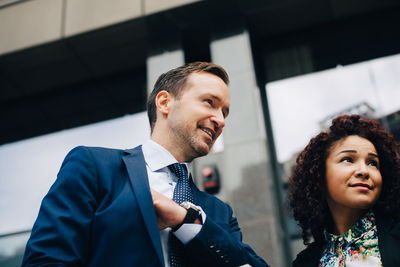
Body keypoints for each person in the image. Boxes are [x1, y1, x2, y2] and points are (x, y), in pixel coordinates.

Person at [22, 62, 268, 267]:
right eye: (209, 102)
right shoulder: (93, 167)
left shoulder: (219, 212)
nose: (220, 120)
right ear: (164, 103)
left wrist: (185, 220)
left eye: (225, 112)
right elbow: (46, 261)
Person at [288, 114, 400, 267]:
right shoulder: (304, 263)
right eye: (348, 159)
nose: (364, 170)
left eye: (372, 163)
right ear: (320, 175)